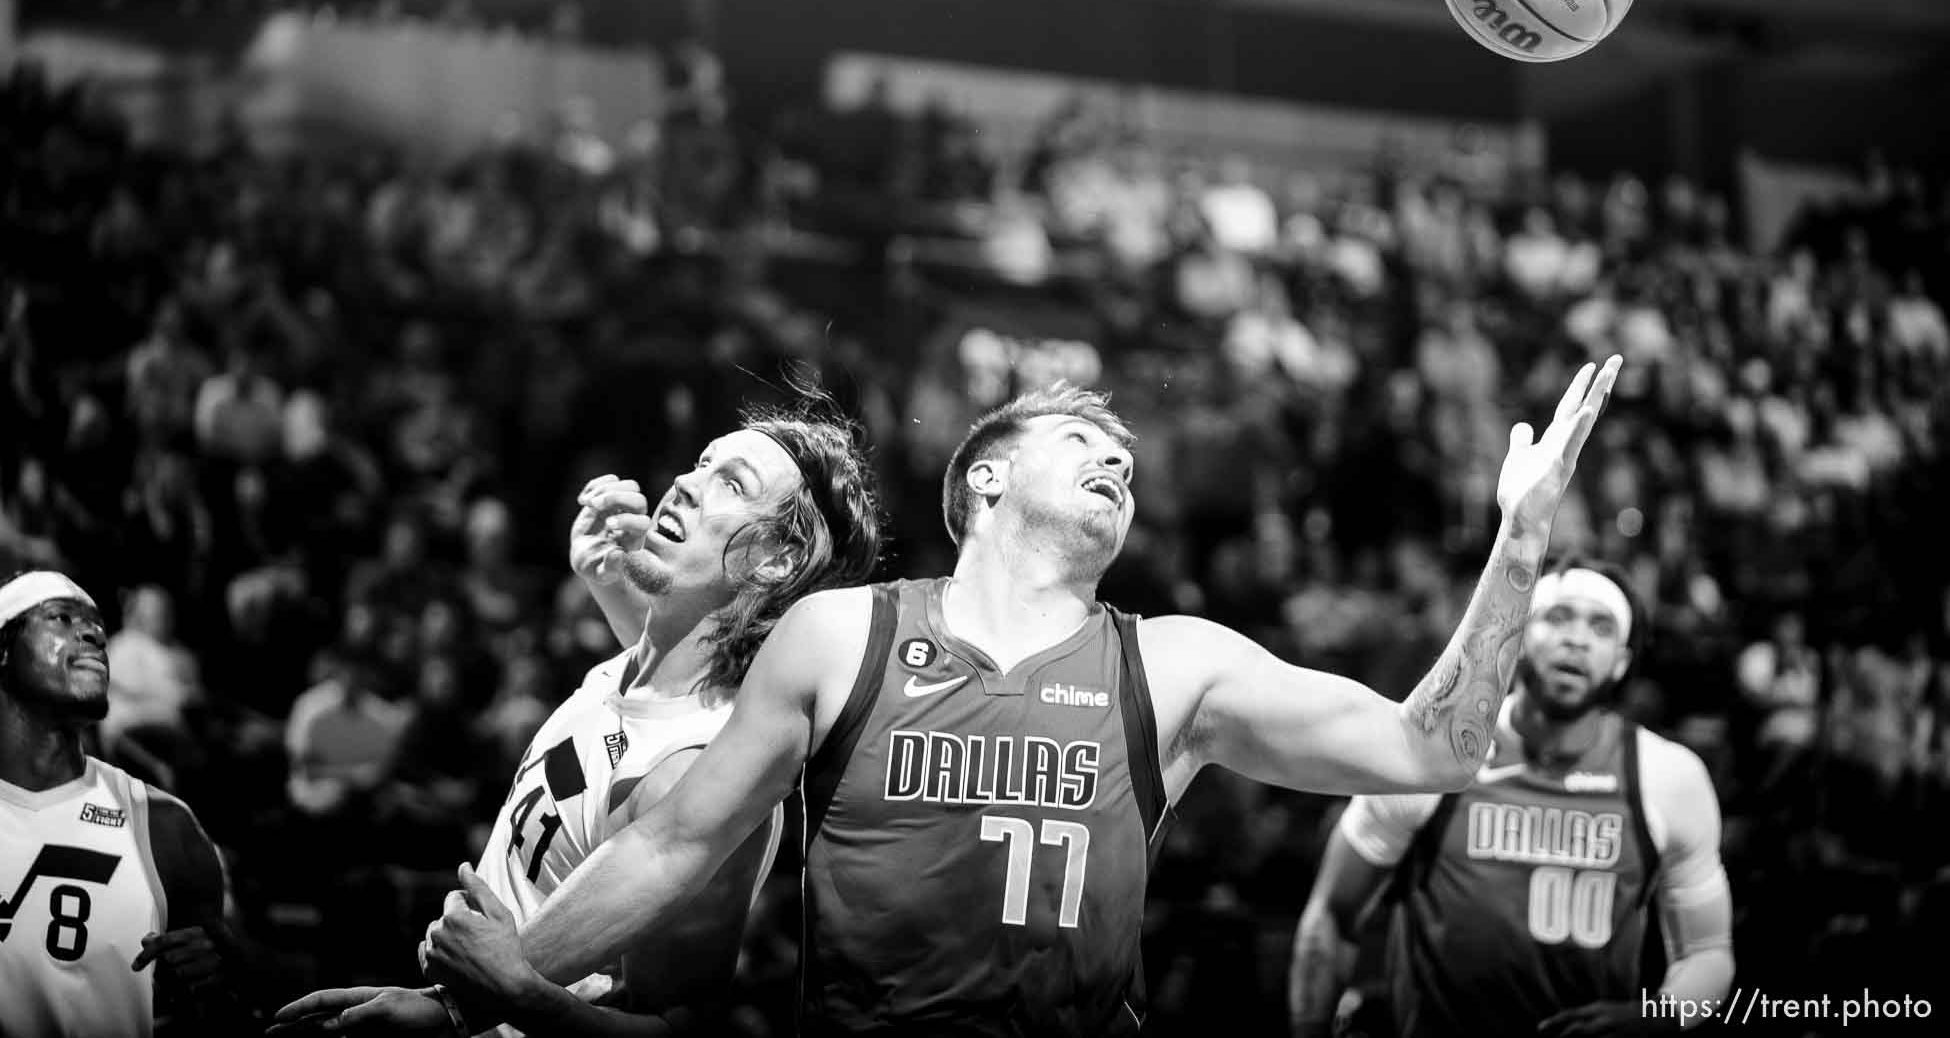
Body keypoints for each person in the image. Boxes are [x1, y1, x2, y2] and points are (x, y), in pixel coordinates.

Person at [423, 359, 1623, 1036]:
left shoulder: (1175, 663)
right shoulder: (841, 634)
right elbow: (669, 843)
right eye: (1084, 444)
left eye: (1130, 466)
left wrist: (1519, 542)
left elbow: (1443, 748)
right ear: (986, 476)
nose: (1119, 464)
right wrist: (461, 1002)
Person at [272, 403, 884, 1035]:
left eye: (731, 484)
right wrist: (606, 578)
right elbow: (646, 705)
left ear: (776, 561)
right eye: (702, 463)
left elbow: (677, 1028)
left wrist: (491, 1000)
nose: (685, 484)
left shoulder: (693, 772)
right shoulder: (645, 674)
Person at [1287, 556, 1735, 1037]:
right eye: (1558, 618)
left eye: (1601, 627)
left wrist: (1656, 1017)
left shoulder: (1666, 777)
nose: (1577, 639)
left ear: (1622, 661)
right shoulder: (1439, 753)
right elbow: (1331, 918)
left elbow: (1707, 954)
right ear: (1518, 639)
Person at [0, 569, 248, 1038]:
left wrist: (216, 984)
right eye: (61, 618)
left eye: (96, 624)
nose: (94, 632)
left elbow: (233, 1011)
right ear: (3, 652)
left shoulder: (165, 826)